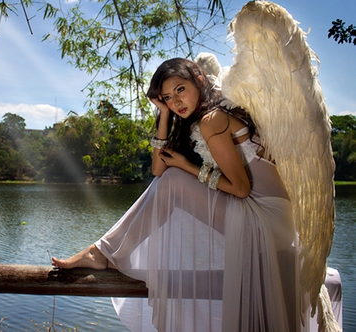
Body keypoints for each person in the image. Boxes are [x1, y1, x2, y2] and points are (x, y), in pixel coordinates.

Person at [52, 57, 298, 331]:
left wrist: (187, 166)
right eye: (167, 97)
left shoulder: (213, 120)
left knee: (174, 180)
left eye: (180, 89)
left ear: (200, 81)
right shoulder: (194, 120)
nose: (176, 101)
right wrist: (164, 115)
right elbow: (158, 168)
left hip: (268, 220)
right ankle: (105, 251)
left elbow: (240, 189)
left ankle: (103, 252)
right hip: (262, 217)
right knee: (169, 178)